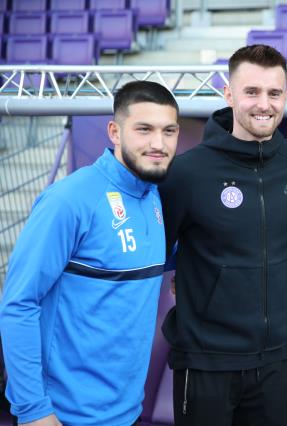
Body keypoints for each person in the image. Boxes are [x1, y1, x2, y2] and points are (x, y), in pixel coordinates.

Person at [0, 80, 180, 425]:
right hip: (64, 416)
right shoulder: (69, 199)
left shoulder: (156, 196)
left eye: (168, 131)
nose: (158, 144)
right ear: (115, 132)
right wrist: (34, 409)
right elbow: (18, 304)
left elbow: (158, 258)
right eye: (144, 129)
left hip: (126, 411)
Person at [159, 44, 287, 426]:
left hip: (276, 360)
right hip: (205, 362)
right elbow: (158, 251)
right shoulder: (186, 172)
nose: (264, 104)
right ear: (228, 94)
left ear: (286, 96)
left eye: (274, 93)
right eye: (251, 92)